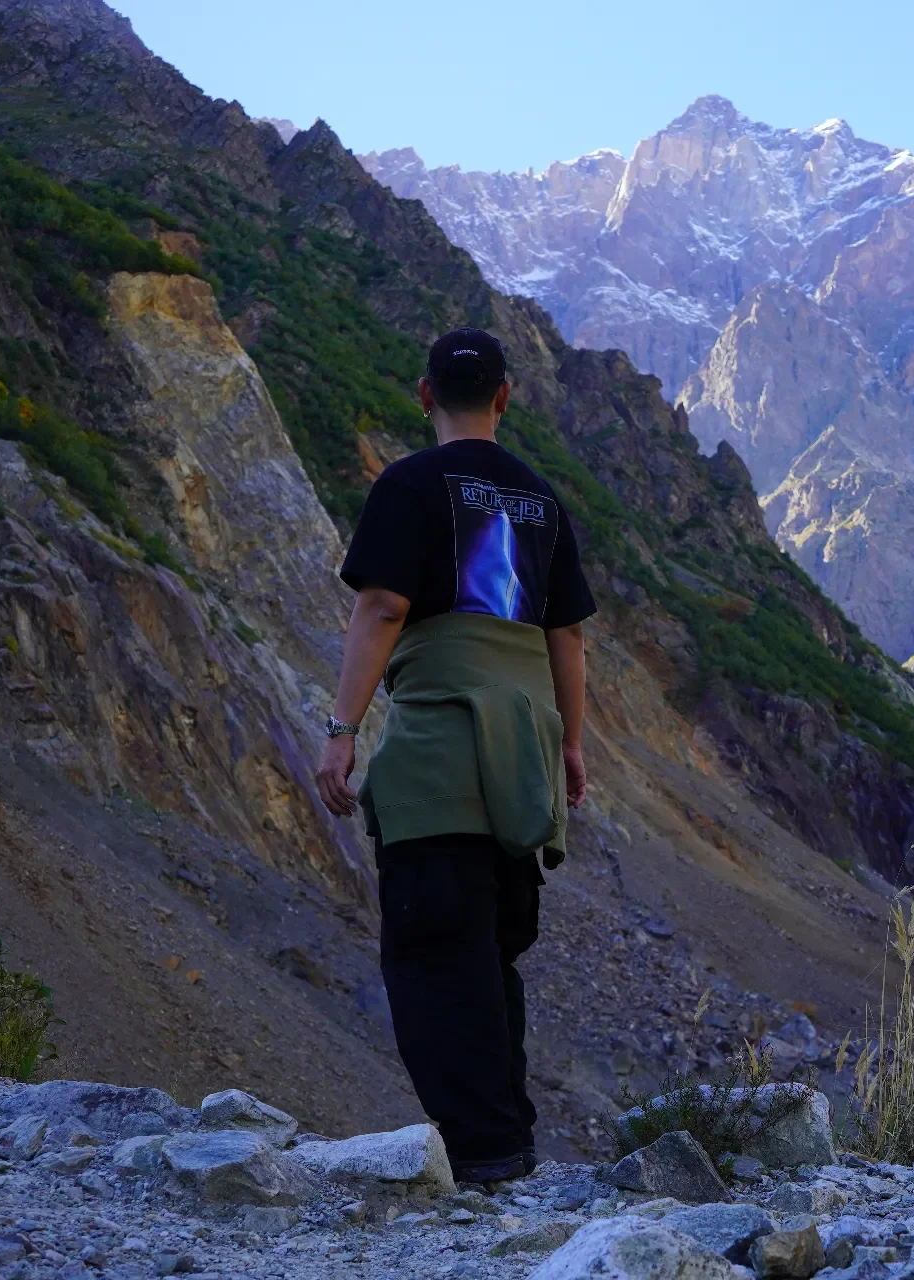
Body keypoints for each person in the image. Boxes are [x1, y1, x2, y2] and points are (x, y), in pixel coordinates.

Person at [314, 327, 595, 1183]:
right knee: (492, 952)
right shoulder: (544, 500)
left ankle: (481, 1153)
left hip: (439, 754)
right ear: (504, 398)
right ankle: (507, 1142)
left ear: (425, 394)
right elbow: (569, 639)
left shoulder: (408, 485)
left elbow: (383, 607)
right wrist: (572, 748)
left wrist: (341, 730)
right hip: (523, 763)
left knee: (435, 953)